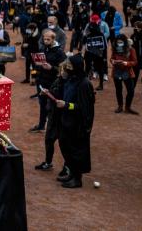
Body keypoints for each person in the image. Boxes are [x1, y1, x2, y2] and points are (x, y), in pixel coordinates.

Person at [55, 55, 95, 188]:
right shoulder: (70, 79)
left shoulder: (84, 84)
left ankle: (77, 179)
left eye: (70, 66)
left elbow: (83, 107)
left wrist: (66, 105)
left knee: (76, 151)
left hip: (77, 125)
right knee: (64, 145)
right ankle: (71, 173)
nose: (67, 67)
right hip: (66, 120)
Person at [30, 30, 67, 132]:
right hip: (41, 81)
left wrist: (52, 68)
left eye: (48, 39)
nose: (45, 41)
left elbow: (64, 70)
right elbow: (36, 66)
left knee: (53, 105)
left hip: (52, 83)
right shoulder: (43, 49)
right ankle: (41, 126)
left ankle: (56, 126)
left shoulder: (60, 53)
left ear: (53, 39)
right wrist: (35, 75)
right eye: (44, 39)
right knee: (42, 104)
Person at [110, 34, 138, 114]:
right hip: (117, 71)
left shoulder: (131, 49)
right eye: (118, 42)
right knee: (118, 90)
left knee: (131, 91)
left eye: (121, 42)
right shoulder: (114, 48)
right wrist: (112, 61)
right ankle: (120, 106)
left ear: (124, 42)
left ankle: (128, 107)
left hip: (127, 72)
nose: (119, 43)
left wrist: (126, 63)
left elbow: (135, 62)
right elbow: (112, 58)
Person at [83, 14, 108, 90]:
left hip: (98, 54)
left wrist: (104, 56)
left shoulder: (100, 35)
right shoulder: (90, 35)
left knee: (99, 69)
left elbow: (104, 46)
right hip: (92, 54)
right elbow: (84, 43)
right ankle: (87, 83)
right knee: (88, 68)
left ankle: (100, 84)